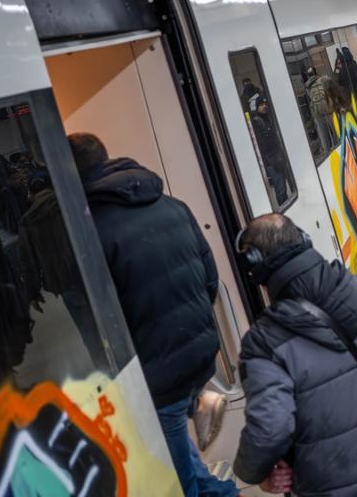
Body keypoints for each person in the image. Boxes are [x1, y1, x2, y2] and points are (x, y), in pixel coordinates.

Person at [66, 133, 238, 497]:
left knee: (175, 476)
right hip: (199, 353)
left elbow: (95, 317)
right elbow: (210, 281)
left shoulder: (91, 232)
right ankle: (221, 492)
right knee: (176, 437)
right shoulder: (174, 206)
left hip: (159, 373)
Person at [234, 213, 357, 496]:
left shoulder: (264, 343)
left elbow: (270, 430)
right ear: (306, 242)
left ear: (257, 270)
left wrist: (254, 472)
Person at [251, 97, 290, 204]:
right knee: (280, 188)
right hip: (270, 161)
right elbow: (260, 144)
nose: (264, 106)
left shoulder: (268, 118)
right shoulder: (256, 121)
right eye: (261, 105)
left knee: (283, 185)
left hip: (278, 156)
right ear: (257, 107)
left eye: (265, 104)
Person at [303, 65, 338, 154]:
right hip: (327, 108)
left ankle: (327, 152)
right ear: (316, 72)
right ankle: (338, 146)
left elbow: (310, 97)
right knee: (334, 130)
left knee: (324, 134)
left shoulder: (307, 86)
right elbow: (332, 84)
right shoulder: (323, 79)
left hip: (317, 113)